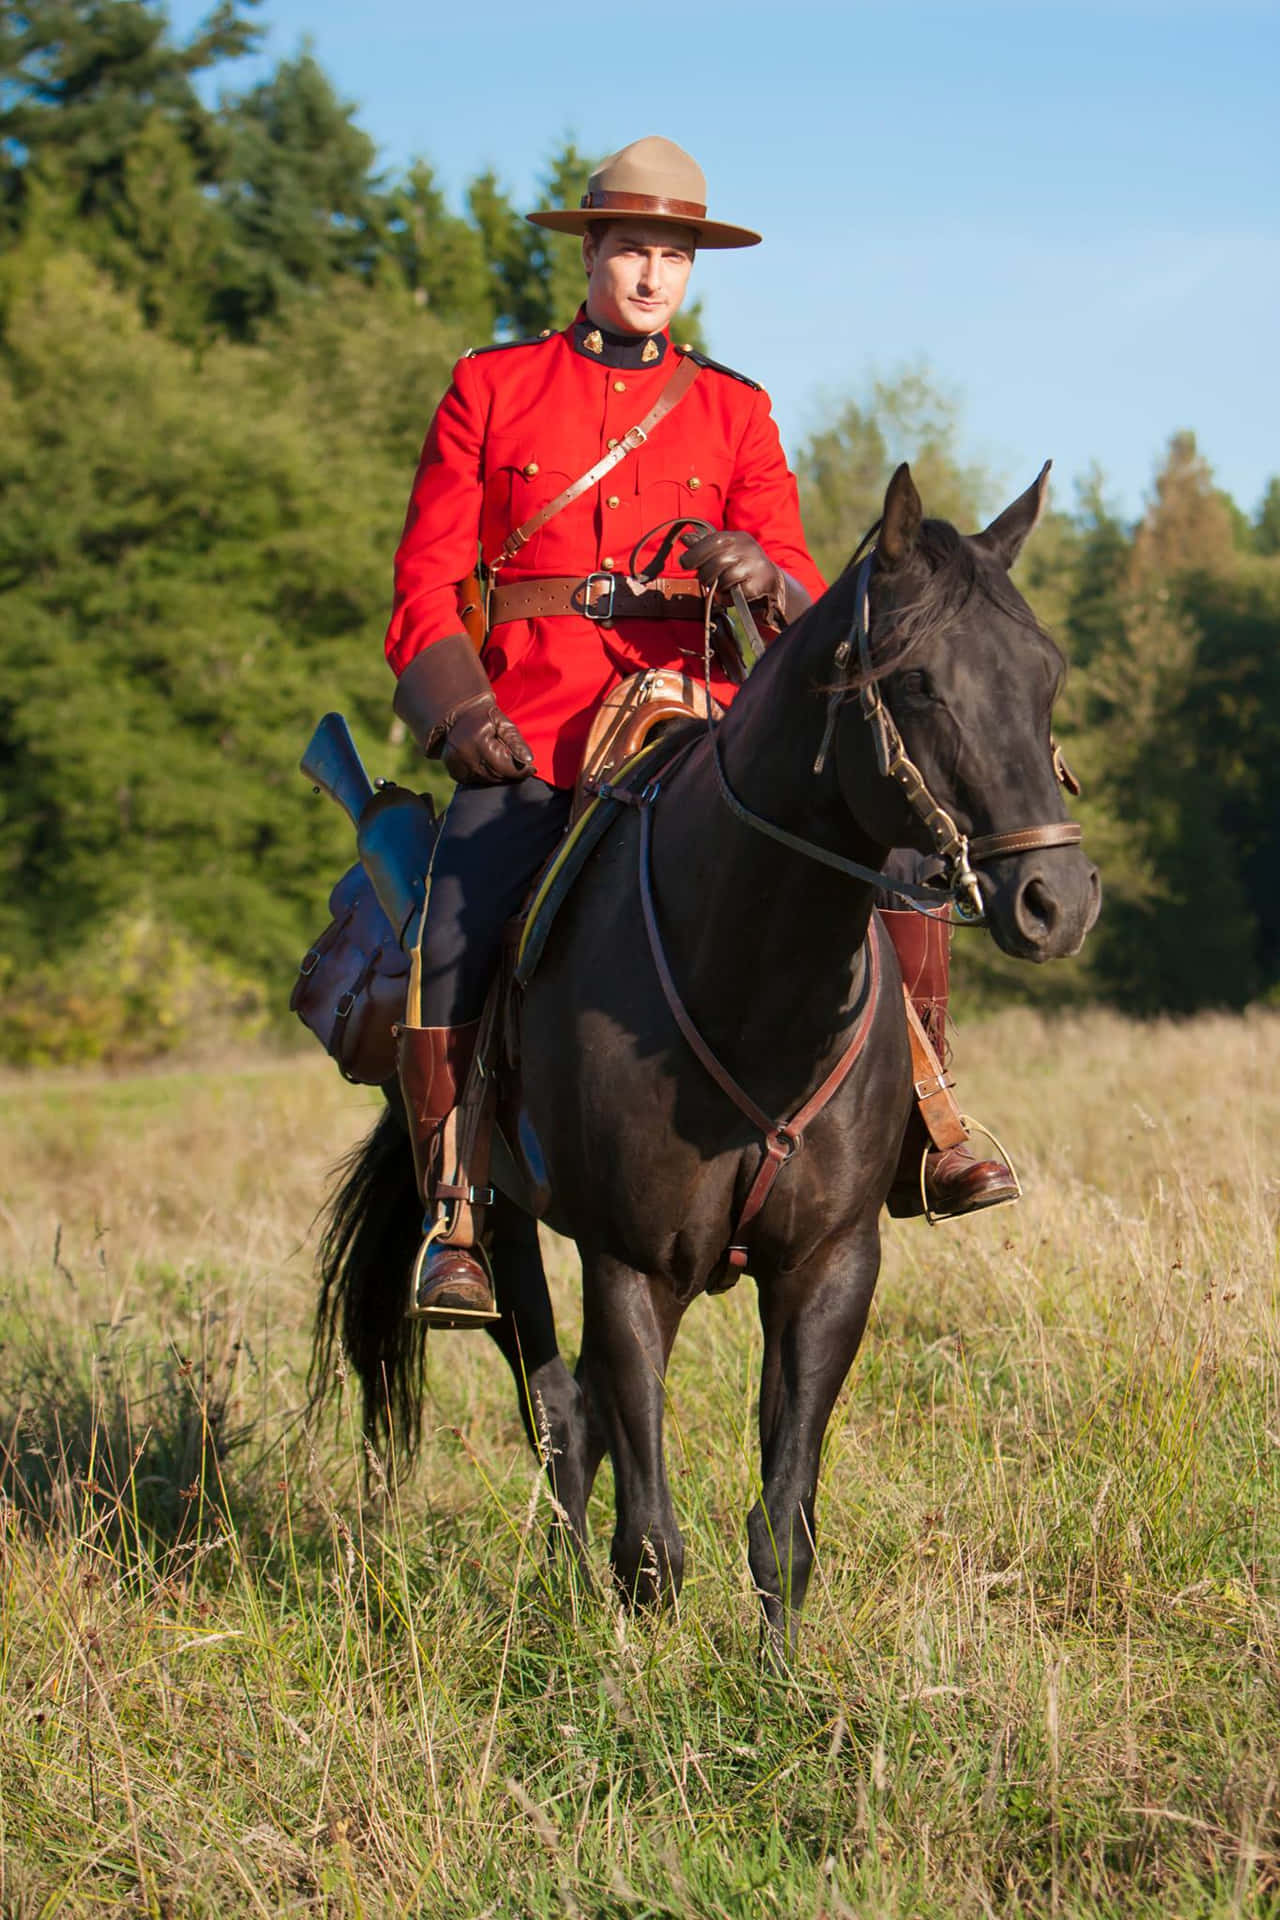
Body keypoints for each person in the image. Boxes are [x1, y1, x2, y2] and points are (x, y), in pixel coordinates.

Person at [385, 136, 1016, 1327]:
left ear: (688, 270)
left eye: (670, 255)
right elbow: (423, 589)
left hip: (701, 729)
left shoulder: (733, 409)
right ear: (590, 252)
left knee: (895, 864)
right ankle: (456, 1206)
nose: (649, 273)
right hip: (536, 729)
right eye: (630, 247)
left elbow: (802, 589)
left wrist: (760, 576)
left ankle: (931, 1116)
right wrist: (461, 713)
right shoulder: (491, 386)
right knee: (458, 910)